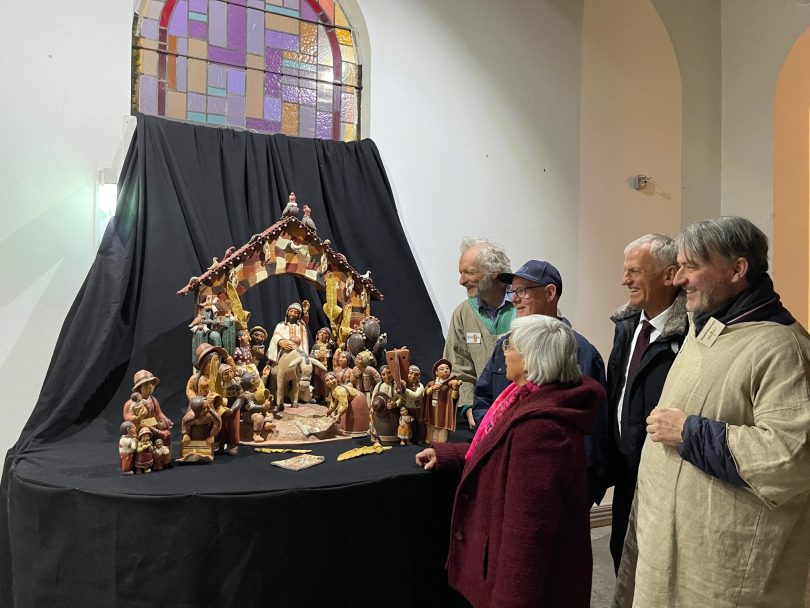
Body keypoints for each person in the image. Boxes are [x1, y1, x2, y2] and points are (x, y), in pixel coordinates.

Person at [613, 216, 810, 607]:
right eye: (678, 266)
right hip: (670, 551)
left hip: (724, 572)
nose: (678, 279)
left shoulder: (783, 350)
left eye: (691, 266)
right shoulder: (704, 329)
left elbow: (791, 458)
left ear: (737, 269)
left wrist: (690, 433)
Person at [415, 315, 605, 608]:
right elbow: (501, 449)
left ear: (529, 361)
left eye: (510, 346)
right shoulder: (526, 401)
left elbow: (527, 535)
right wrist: (450, 454)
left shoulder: (541, 429)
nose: (504, 352)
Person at [470, 260, 607, 504]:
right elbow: (484, 400)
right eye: (513, 291)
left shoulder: (581, 353)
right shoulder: (505, 346)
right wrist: (496, 447)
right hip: (503, 474)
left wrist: (581, 494)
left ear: (550, 293)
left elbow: (592, 433)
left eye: (522, 291)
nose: (514, 299)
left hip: (557, 489)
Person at [604, 233, 687, 572]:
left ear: (669, 275)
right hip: (626, 468)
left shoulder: (691, 334)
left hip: (667, 474)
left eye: (634, 271)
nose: (625, 280)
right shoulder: (627, 326)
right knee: (621, 554)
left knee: (658, 565)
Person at [443, 238, 514, 429]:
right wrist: (469, 408)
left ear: (494, 272)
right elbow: (458, 367)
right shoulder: (463, 313)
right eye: (461, 273)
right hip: (482, 419)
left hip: (521, 414)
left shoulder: (524, 306)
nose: (462, 281)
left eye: (470, 272)